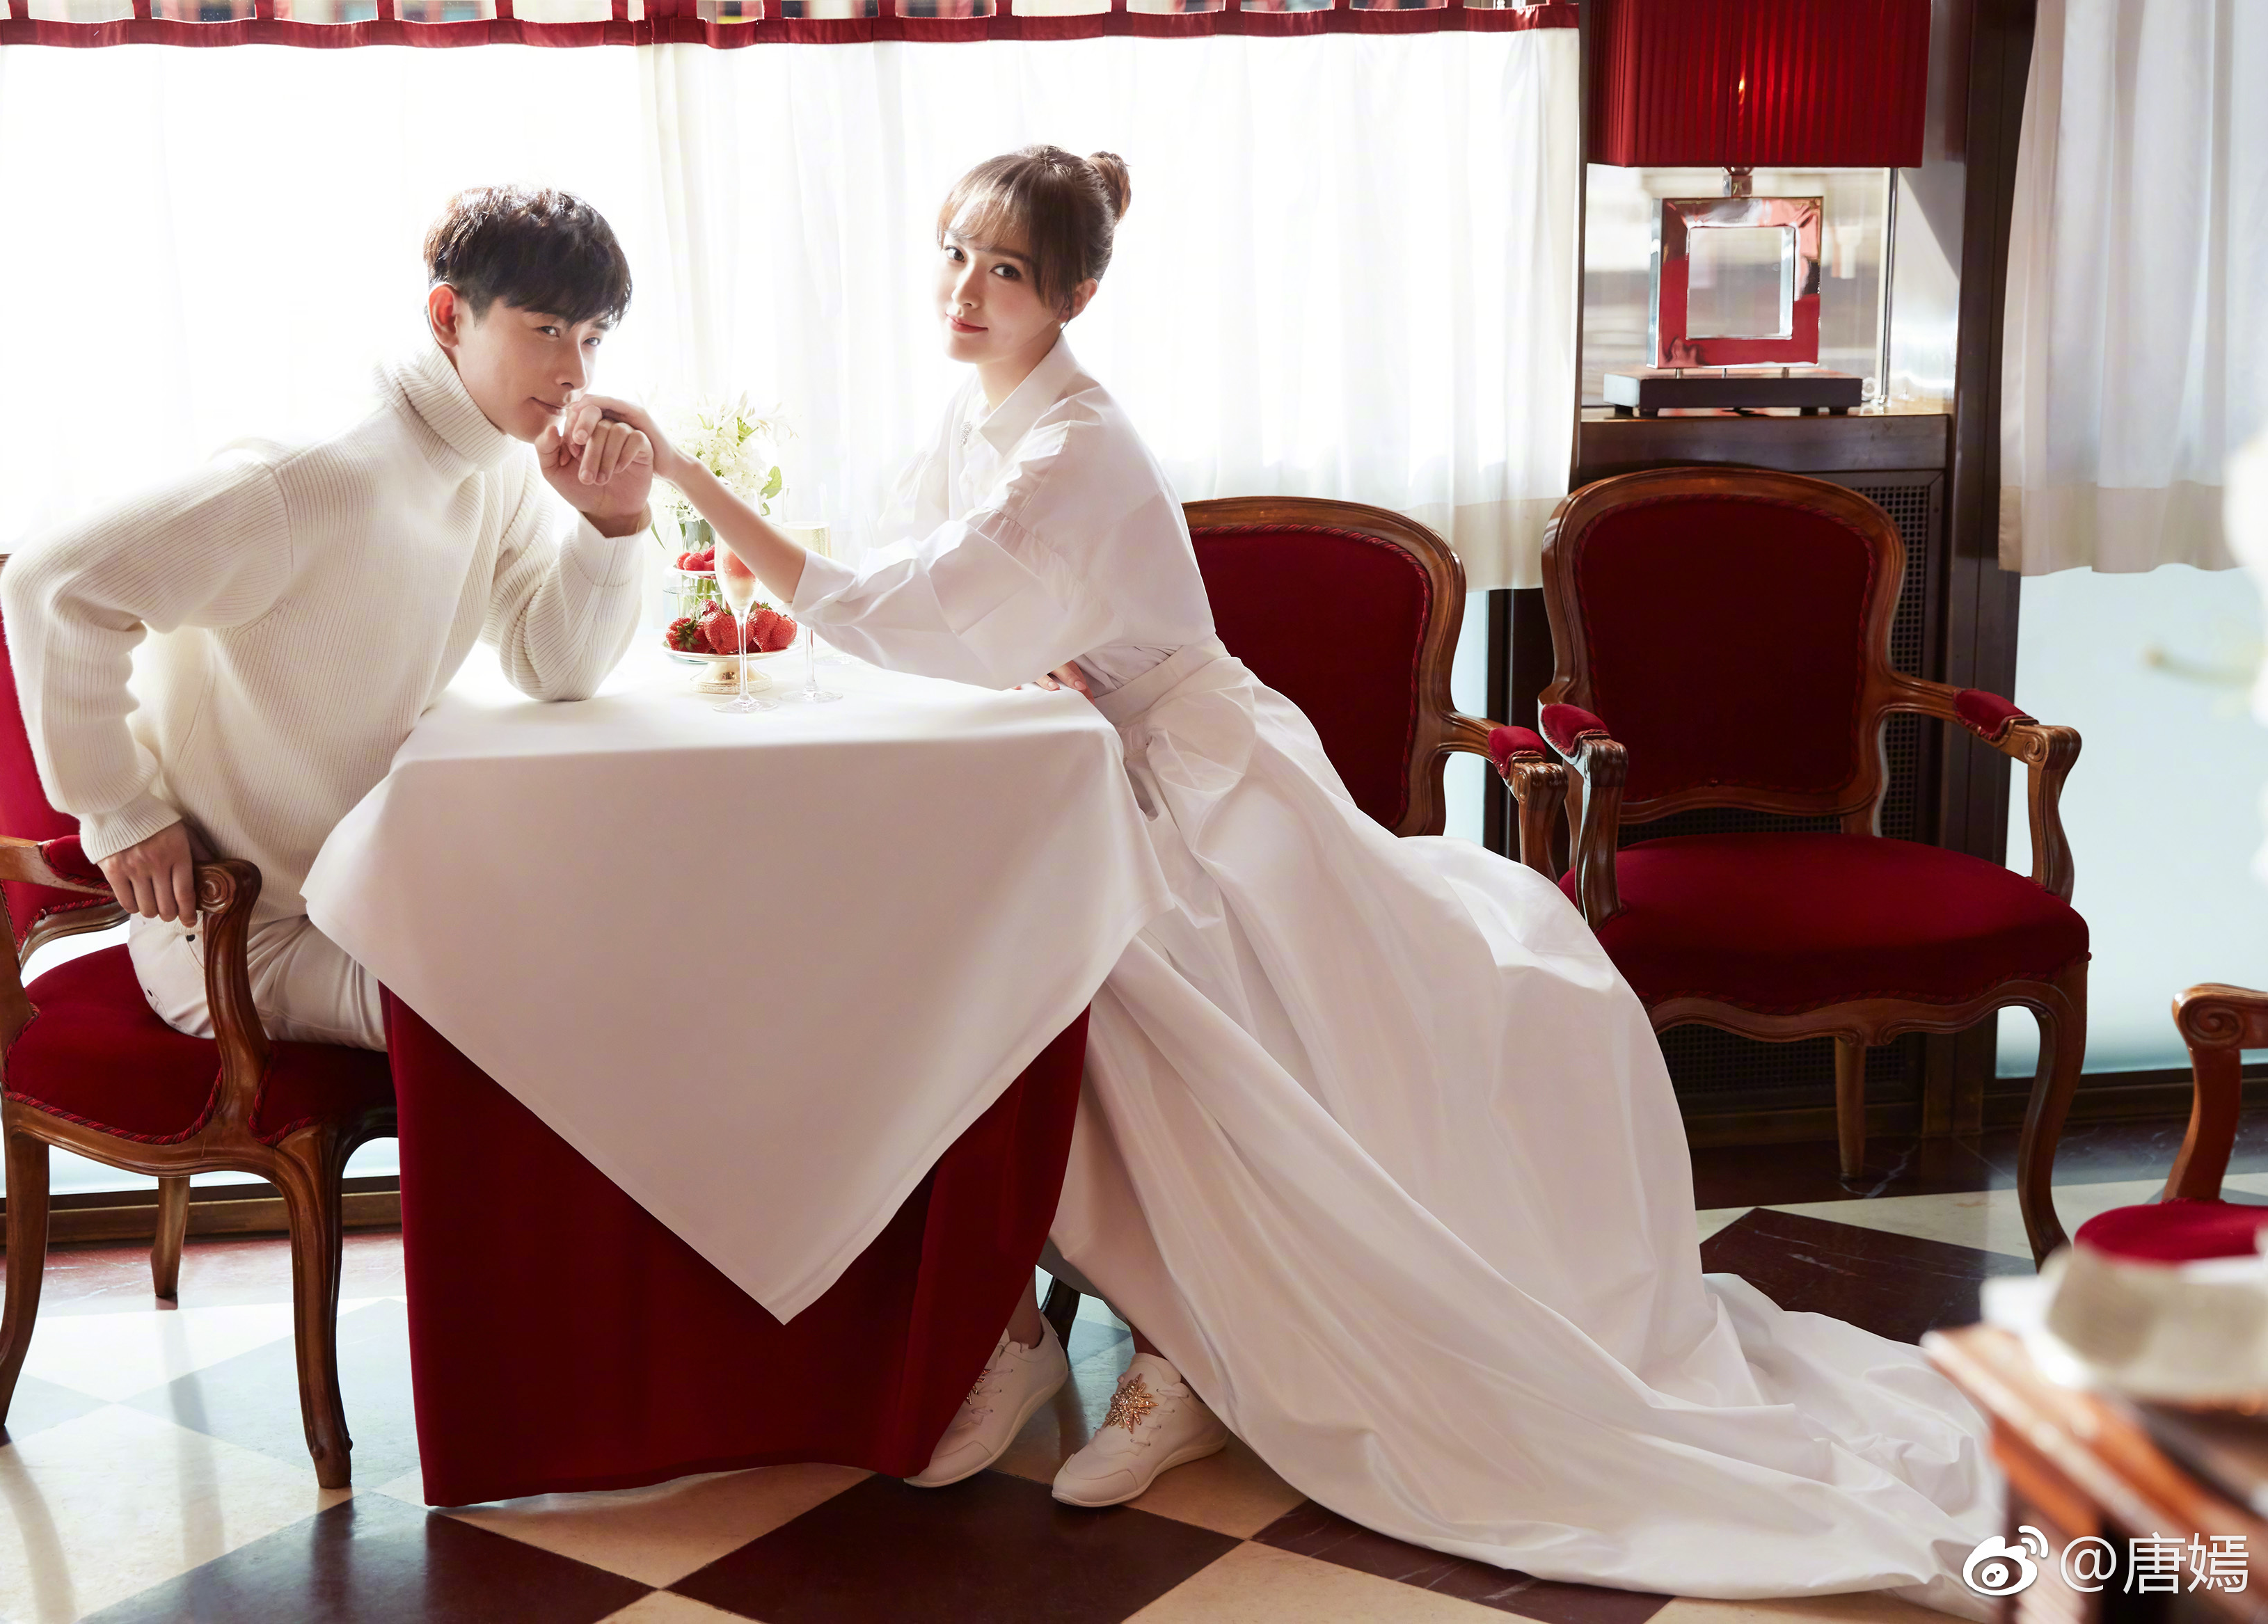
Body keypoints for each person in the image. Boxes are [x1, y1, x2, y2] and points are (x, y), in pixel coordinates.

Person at [637, 146, 1999, 1614]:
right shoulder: (981, 416)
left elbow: (888, 608)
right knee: (978, 957)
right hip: (1097, 763)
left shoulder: (1073, 445)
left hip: (1200, 775)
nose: (964, 290)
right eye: (955, 253)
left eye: (1006, 270)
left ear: (1074, 296)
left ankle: (1187, 1349)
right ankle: (1017, 1324)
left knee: (1141, 994)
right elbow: (954, 605)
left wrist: (683, 475)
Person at [3, 185, 656, 1050]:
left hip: (371, 898)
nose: (576, 371)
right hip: (237, 934)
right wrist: (119, 813)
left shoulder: (493, 466)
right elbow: (53, 583)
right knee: (560, 1021)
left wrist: (612, 522)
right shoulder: (318, 474)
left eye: (592, 338)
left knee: (638, 951)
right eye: (546, 330)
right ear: (449, 316)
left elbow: (554, 667)